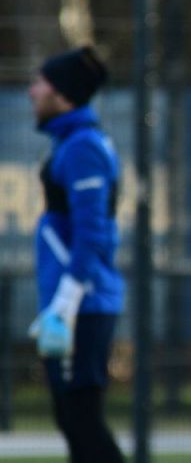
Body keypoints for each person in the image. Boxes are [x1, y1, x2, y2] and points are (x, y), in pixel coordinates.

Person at [28, 46, 125, 463]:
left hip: (81, 307)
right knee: (73, 421)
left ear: (64, 94)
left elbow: (93, 234)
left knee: (82, 421)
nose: (32, 91)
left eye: (42, 83)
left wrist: (65, 306)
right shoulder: (71, 143)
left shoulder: (83, 147)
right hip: (74, 305)